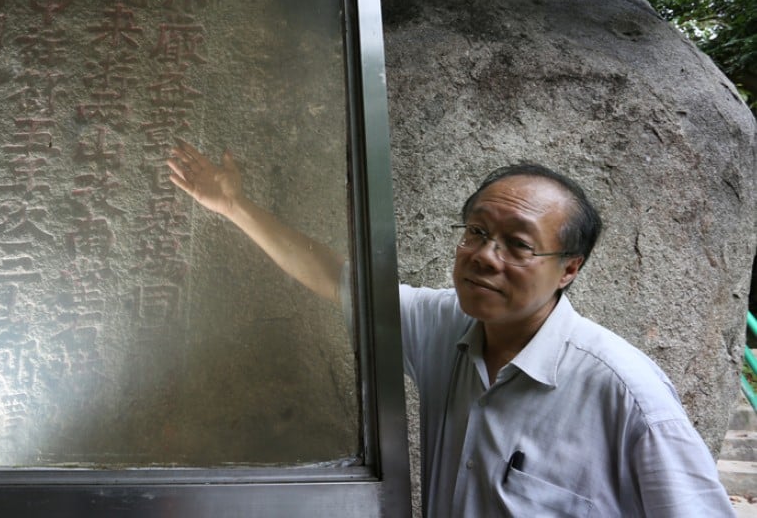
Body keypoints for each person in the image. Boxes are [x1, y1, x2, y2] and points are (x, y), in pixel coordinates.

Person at [167, 140, 735, 517]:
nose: (485, 257)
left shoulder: (625, 394)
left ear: (569, 269)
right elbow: (334, 278)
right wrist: (235, 207)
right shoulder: (448, 328)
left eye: (518, 245)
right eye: (475, 232)